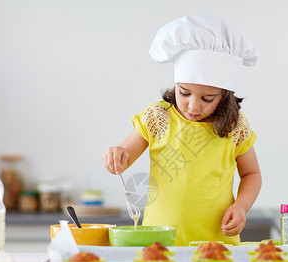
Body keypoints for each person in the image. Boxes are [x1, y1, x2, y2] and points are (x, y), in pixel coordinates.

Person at [103, 15, 262, 246]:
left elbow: (252, 175)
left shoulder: (235, 127)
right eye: (184, 93)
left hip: (217, 243)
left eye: (207, 98)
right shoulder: (158, 117)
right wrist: (116, 155)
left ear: (225, 96)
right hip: (159, 240)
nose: (193, 105)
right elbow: (124, 157)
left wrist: (241, 205)